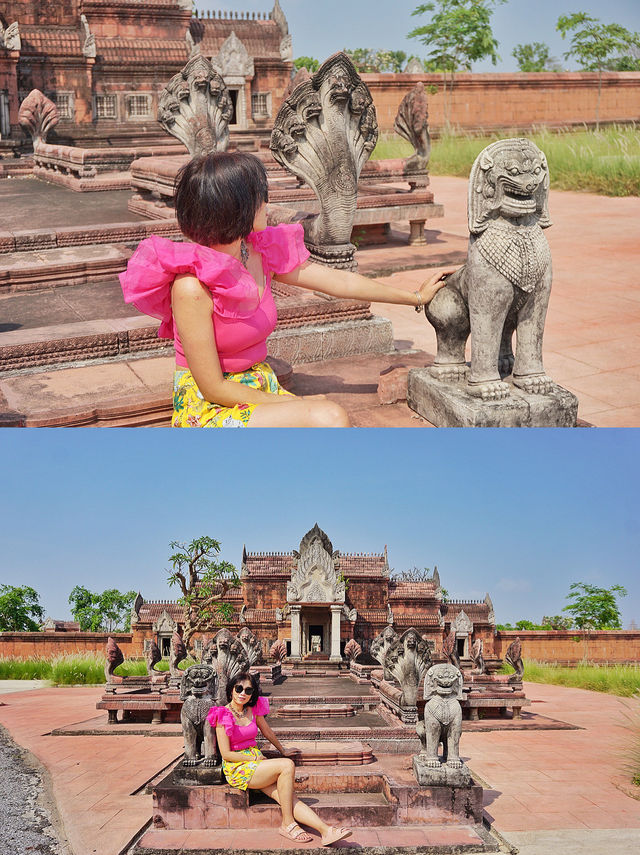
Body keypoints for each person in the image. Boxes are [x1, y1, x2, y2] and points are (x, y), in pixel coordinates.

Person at [120, 151, 455, 428]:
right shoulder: (191, 287)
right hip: (209, 404)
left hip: (255, 382)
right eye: (259, 196)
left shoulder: (256, 252)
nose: (267, 202)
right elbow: (213, 387)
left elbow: (340, 282)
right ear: (236, 209)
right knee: (329, 417)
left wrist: (414, 296)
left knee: (322, 421)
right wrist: (298, 404)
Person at [208, 672, 351, 846]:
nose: (242, 693)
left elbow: (267, 732)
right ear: (231, 690)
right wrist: (253, 756)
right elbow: (226, 754)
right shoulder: (222, 714)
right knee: (286, 766)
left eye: (248, 690)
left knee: (288, 797)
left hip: (257, 765)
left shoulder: (252, 709)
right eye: (239, 688)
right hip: (237, 768)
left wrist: (282, 749)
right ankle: (288, 823)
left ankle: (326, 831)